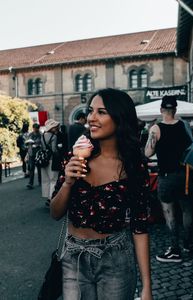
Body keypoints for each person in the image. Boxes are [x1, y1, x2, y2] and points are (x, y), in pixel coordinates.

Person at [50, 88, 153, 300]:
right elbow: (55, 212)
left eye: (101, 112)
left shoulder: (134, 167)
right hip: (73, 259)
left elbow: (140, 227)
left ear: (120, 118)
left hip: (115, 258)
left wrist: (147, 287)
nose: (91, 118)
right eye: (90, 111)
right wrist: (68, 183)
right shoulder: (75, 158)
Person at [145, 95, 193, 263]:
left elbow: (147, 153)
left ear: (161, 110)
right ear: (175, 110)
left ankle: (174, 250)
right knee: (187, 210)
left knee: (169, 213)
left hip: (166, 177)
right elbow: (192, 147)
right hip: (185, 176)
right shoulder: (184, 125)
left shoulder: (156, 129)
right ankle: (188, 243)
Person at [41, 119, 61, 207]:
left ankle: (46, 197)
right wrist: (59, 150)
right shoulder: (54, 137)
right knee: (53, 179)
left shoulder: (42, 135)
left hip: (43, 159)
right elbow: (54, 150)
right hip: (51, 160)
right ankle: (51, 198)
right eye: (55, 127)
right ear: (52, 128)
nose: (57, 129)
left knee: (45, 179)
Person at [26, 123, 42, 189]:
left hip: (38, 153)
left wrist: (37, 145)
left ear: (38, 128)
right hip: (31, 153)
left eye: (36, 128)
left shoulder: (41, 134)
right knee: (31, 168)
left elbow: (42, 143)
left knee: (39, 168)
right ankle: (30, 183)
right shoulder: (30, 134)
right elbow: (28, 143)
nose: (35, 129)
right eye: (34, 128)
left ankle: (40, 181)